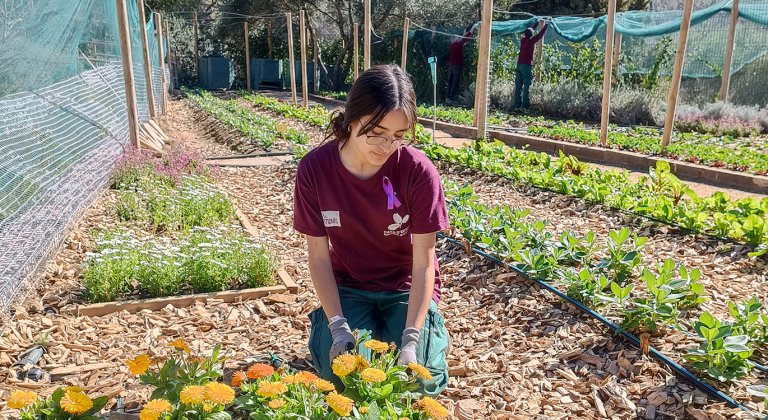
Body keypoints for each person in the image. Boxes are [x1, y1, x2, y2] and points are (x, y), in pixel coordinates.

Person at [294, 64, 451, 396]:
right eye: (376, 132)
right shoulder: (315, 170)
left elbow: (424, 261)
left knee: (417, 382)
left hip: (404, 287)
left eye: (398, 136)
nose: (386, 146)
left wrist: (411, 338)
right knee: (341, 378)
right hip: (349, 286)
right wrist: (337, 327)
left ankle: (399, 334)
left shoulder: (418, 172)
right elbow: (319, 257)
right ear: (352, 120)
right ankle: (355, 329)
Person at [514, 19, 548, 112]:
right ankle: (525, 106)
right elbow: (540, 35)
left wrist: (536, 23)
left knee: (518, 86)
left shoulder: (523, 40)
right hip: (526, 66)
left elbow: (529, 31)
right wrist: (546, 25)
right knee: (526, 86)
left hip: (519, 65)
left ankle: (517, 106)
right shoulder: (531, 40)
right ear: (531, 35)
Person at [446, 24, 475, 104]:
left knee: (450, 82)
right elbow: (465, 38)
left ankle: (448, 97)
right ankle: (451, 98)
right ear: (455, 39)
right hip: (456, 66)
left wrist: (464, 33)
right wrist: (473, 27)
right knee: (455, 82)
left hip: (451, 66)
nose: (459, 38)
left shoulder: (452, 45)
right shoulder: (457, 45)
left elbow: (462, 38)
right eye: (458, 38)